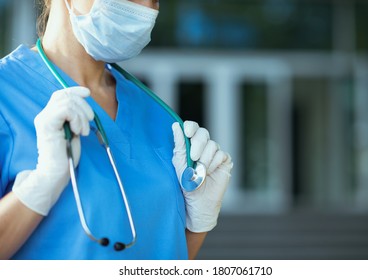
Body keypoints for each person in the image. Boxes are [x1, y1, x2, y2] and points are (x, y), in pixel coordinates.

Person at [0, 0, 233, 260]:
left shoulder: (158, 115)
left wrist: (198, 226)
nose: (145, 7)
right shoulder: (6, 95)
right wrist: (38, 187)